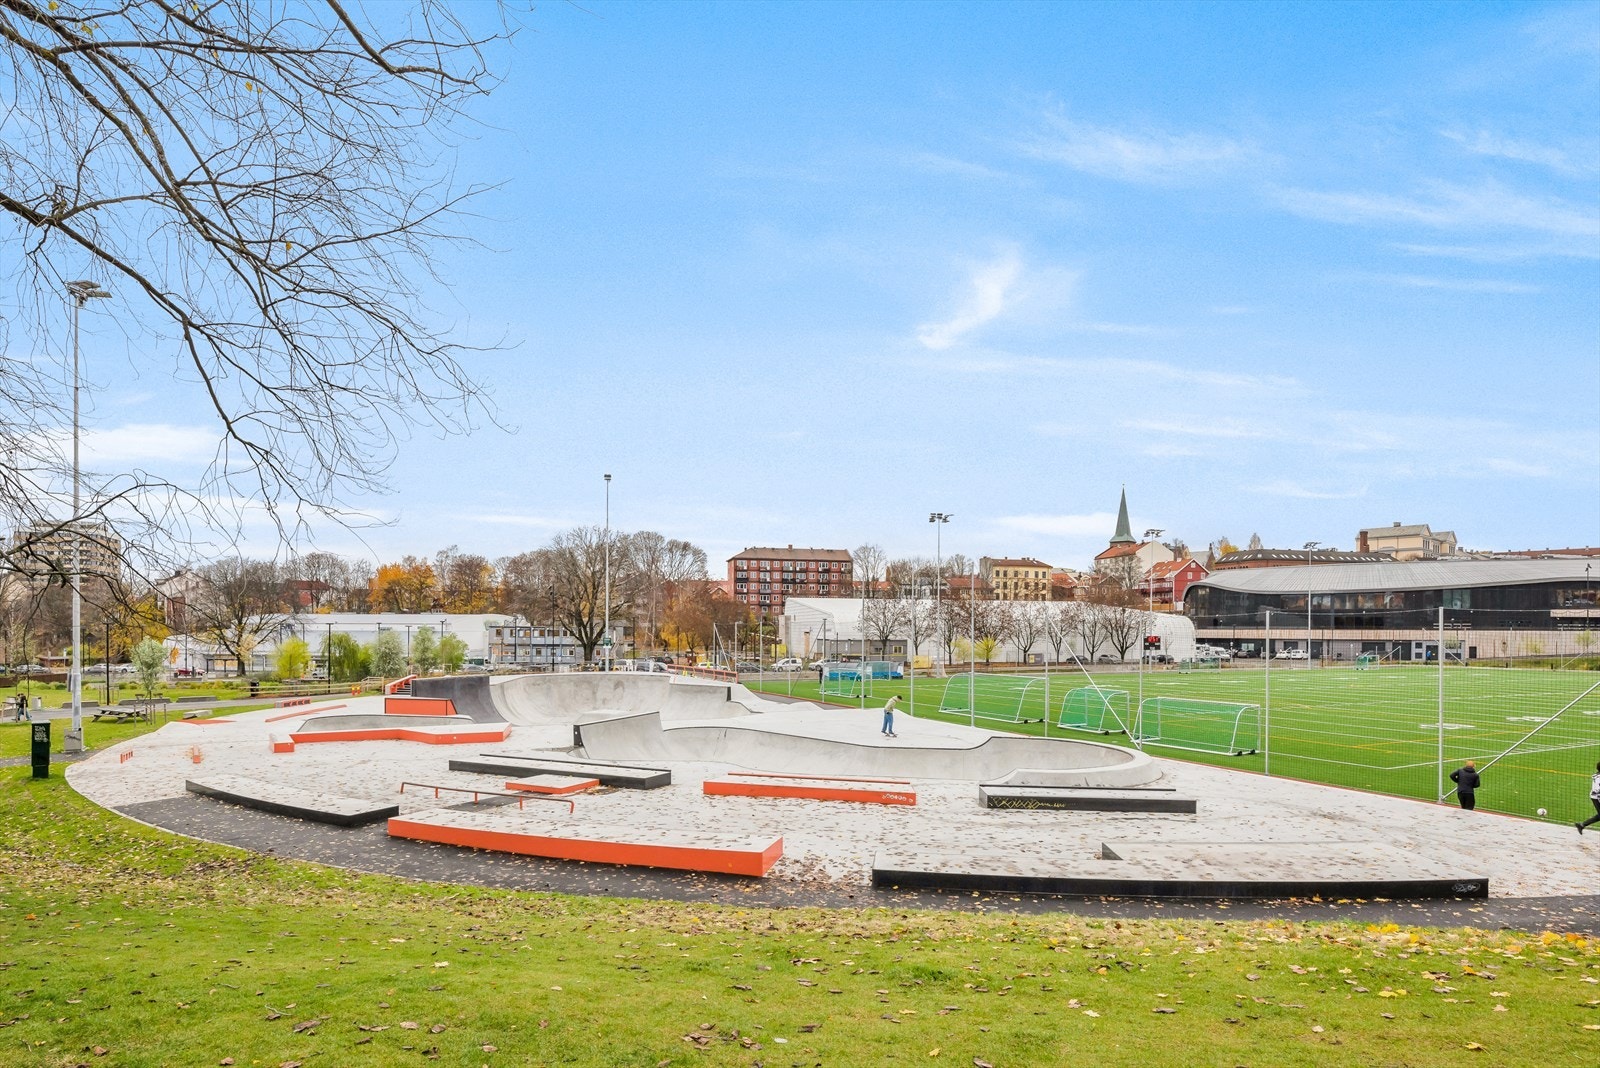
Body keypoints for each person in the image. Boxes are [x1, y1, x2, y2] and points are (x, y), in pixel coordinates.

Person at [1577, 761, 1600, 834]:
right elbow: (1596, 790)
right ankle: (1582, 825)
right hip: (1596, 798)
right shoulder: (1598, 778)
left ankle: (1582, 825)